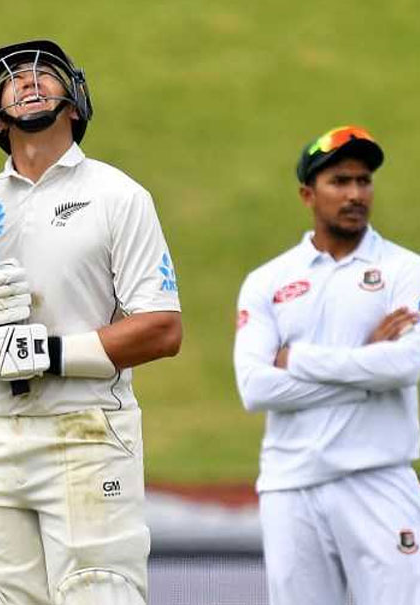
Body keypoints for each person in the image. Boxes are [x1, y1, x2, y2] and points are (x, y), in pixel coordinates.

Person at [0, 40, 182, 605]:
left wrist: (46, 353)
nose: (30, 80)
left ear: (75, 102)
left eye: (47, 73)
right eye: (13, 78)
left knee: (100, 594)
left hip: (86, 433)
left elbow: (163, 328)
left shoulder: (118, 196)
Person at [233, 125, 420, 605]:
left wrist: (298, 360)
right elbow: (256, 388)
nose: (356, 194)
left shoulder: (406, 271)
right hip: (290, 486)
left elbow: (406, 363)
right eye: (340, 181)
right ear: (307, 194)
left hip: (379, 479)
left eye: (364, 181)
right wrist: (365, 370)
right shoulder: (268, 281)